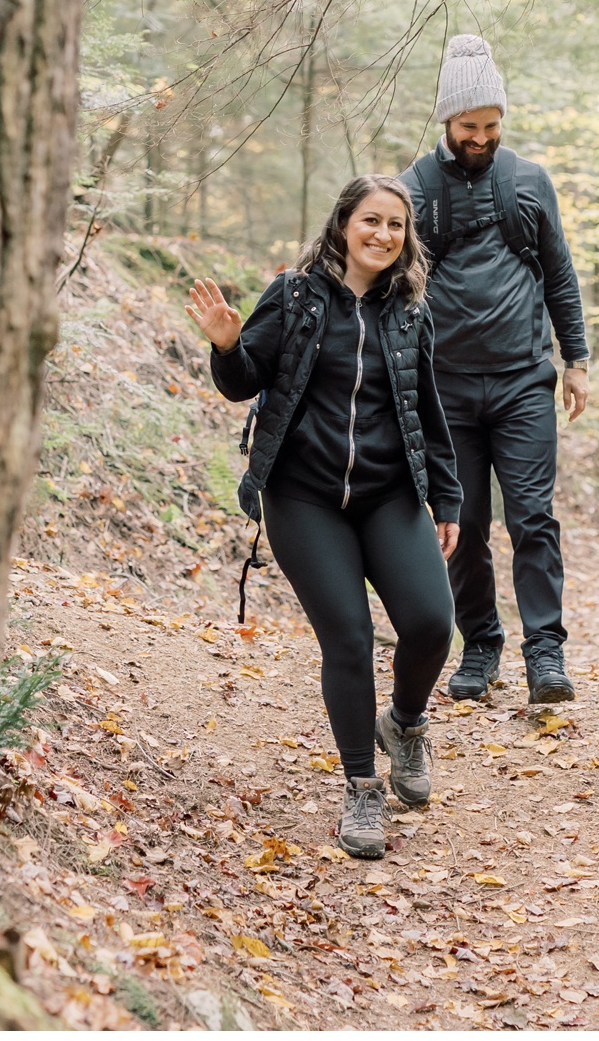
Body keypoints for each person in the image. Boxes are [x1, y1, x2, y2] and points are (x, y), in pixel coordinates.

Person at [188, 176, 462, 861]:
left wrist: (448, 498)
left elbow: (428, 410)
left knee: (432, 623)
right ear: (343, 224)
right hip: (303, 497)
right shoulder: (296, 295)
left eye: (396, 225)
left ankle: (402, 723)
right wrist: (227, 344)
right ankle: (362, 787)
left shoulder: (411, 311)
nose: (383, 235)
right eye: (371, 221)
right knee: (349, 635)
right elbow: (242, 381)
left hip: (389, 494)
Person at [401, 34, 592, 706]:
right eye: (469, 127)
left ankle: (546, 654)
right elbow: (390, 289)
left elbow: (560, 276)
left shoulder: (529, 182)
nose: (481, 137)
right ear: (446, 123)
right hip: (445, 390)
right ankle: (480, 646)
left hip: (523, 383)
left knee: (533, 517)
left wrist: (577, 361)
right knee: (465, 524)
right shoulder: (413, 191)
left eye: (491, 125)